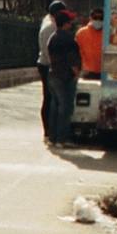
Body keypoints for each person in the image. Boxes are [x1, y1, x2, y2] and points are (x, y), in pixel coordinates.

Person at [45, 10, 82, 146]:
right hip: (65, 77)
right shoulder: (69, 39)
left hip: (53, 74)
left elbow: (50, 57)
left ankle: (52, 137)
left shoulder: (52, 38)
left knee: (54, 106)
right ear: (66, 24)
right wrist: (77, 73)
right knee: (65, 108)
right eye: (69, 22)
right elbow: (73, 60)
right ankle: (62, 138)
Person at [37, 0, 67, 133]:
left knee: (49, 96)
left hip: (45, 63)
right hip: (48, 65)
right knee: (50, 97)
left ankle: (49, 129)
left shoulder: (48, 21)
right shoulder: (51, 27)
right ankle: (49, 129)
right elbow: (48, 50)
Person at [77, 7, 104, 80]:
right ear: (90, 18)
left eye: (101, 18)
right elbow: (76, 52)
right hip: (87, 72)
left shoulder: (107, 34)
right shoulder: (81, 33)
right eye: (95, 17)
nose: (98, 20)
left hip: (104, 72)